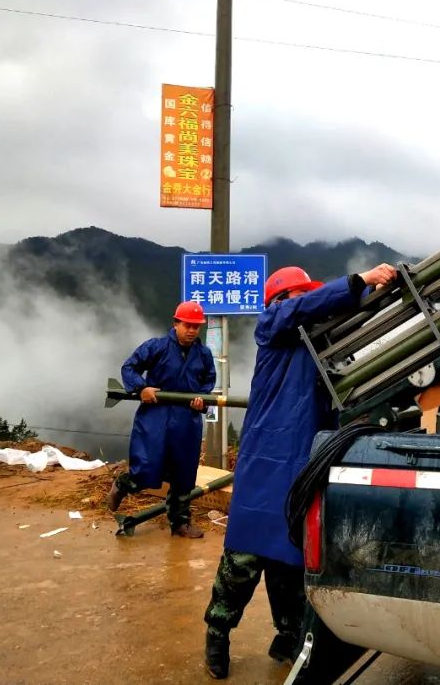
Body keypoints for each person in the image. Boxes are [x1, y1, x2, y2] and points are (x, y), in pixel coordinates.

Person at [203, 263, 397, 679]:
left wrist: (373, 294)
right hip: (265, 463)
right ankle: (217, 633)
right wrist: (359, 281)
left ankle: (288, 638)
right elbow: (305, 307)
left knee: (291, 562)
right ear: (281, 300)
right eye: (301, 294)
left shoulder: (320, 343)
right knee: (243, 561)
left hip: (304, 463)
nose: (309, 301)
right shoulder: (272, 326)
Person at [108, 300, 217, 539]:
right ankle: (123, 484)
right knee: (147, 465)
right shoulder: (156, 347)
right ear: (176, 323)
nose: (191, 330)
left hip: (187, 419)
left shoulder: (204, 354)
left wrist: (202, 397)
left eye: (196, 326)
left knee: (184, 473)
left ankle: (180, 523)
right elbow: (129, 368)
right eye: (187, 325)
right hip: (155, 415)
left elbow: (209, 380)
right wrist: (141, 388)